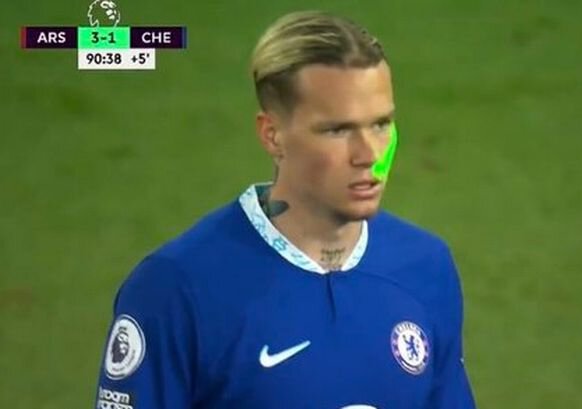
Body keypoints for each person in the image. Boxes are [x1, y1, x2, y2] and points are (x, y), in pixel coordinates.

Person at [94, 10, 476, 409]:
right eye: (337, 130)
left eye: (380, 125)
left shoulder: (425, 267)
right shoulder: (176, 289)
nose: (369, 155)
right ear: (272, 135)